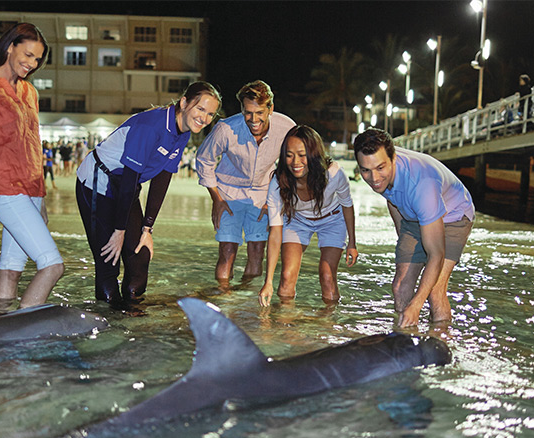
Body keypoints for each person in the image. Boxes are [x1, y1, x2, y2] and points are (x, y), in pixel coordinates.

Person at [75, 81, 221, 311]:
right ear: (184, 103)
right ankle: (108, 327)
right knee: (108, 262)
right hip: (98, 183)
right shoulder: (152, 126)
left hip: (127, 188)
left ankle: (134, 321)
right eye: (200, 109)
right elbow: (130, 176)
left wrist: (147, 229)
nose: (204, 118)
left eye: (210, 114)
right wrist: (119, 231)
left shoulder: (182, 132)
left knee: (140, 258)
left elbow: (163, 177)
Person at [0, 22, 64, 312]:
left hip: (30, 189)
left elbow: (33, 146)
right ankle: (23, 334)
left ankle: (0, 328)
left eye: (37, 59)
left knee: (11, 270)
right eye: (28, 54)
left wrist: (40, 199)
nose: (31, 63)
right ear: (10, 47)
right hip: (3, 189)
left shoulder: (30, 92)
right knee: (53, 266)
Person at [353, 128, 475, 327]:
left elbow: (436, 254)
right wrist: (406, 244)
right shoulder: (378, 173)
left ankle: (441, 343)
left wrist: (416, 305)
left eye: (380, 168)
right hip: (414, 215)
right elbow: (392, 199)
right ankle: (406, 338)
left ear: (394, 158)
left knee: (434, 291)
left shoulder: (422, 184)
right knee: (401, 286)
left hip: (454, 214)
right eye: (365, 170)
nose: (374, 178)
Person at [196, 80, 296, 283]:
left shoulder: (287, 128)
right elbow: (204, 159)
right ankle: (223, 299)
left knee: (258, 250)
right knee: (227, 250)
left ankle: (246, 304)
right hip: (227, 192)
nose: (253, 119)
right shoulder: (225, 129)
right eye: (248, 112)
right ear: (242, 108)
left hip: (263, 194)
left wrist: (276, 200)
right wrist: (216, 198)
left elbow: (292, 166)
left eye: (259, 112)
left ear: (271, 109)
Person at [259, 125, 358, 306]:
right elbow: (275, 233)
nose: (295, 162)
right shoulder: (278, 181)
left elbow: (347, 205)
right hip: (298, 221)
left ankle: (327, 325)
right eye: (289, 155)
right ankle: (284, 326)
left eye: (302, 154)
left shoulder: (334, 174)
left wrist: (352, 242)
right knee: (287, 276)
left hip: (332, 220)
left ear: (313, 154)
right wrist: (268, 282)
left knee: (327, 275)